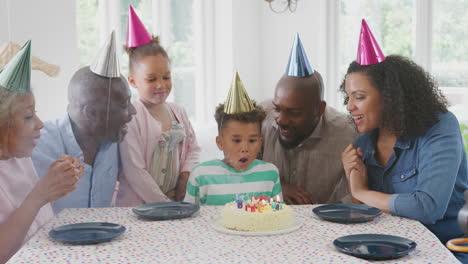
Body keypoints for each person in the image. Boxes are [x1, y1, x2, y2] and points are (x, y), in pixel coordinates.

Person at [340, 20, 468, 261]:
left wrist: (360, 189)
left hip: (445, 249)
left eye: (359, 97)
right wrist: (353, 177)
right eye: (348, 97)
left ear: (390, 97)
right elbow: (365, 211)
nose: (350, 106)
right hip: (389, 248)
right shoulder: (364, 143)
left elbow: (427, 207)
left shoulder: (440, 127)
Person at [32, 32, 136, 213]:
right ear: (91, 113)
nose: (132, 112)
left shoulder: (118, 141)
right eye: (124, 105)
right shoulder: (35, 148)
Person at [0, 41, 82, 263]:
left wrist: (56, 185)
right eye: (28, 117)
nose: (40, 123)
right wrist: (40, 194)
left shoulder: (20, 160)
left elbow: (39, 226)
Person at [118, 6, 200, 206]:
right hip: (141, 205)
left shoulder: (178, 112)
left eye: (166, 77)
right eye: (151, 79)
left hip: (175, 200)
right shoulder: (131, 118)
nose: (161, 85)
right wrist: (164, 204)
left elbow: (193, 148)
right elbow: (135, 171)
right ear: (133, 81)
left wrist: (185, 175)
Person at [261, 34, 357, 205]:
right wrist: (274, 186)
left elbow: (352, 198)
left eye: (294, 112)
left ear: (319, 109)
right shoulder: (260, 118)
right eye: (277, 108)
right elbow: (236, 172)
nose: (281, 120)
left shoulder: (347, 134)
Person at [184, 73, 282, 205]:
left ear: (260, 143)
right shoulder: (201, 175)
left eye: (252, 141)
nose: (244, 148)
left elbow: (278, 212)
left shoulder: (270, 173)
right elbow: (189, 216)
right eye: (236, 140)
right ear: (220, 143)